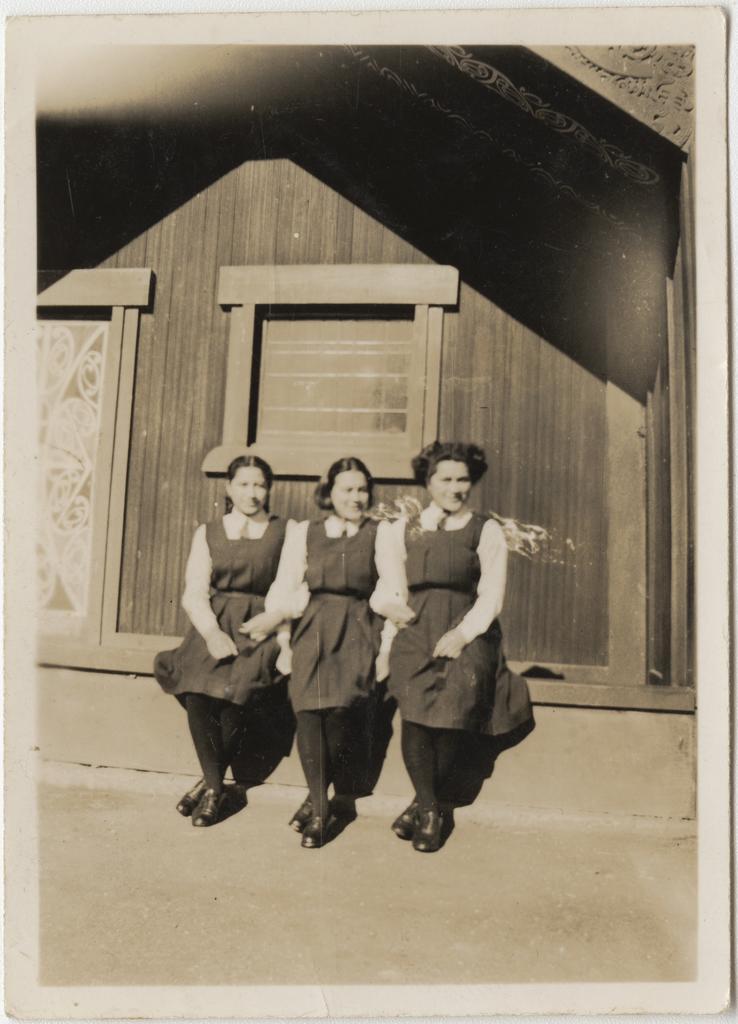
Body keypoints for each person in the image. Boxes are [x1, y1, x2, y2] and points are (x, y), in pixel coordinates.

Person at [372, 441, 534, 853]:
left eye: (463, 479)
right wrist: (393, 633)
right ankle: (431, 809)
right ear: (428, 482)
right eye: (445, 479)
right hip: (415, 626)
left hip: (469, 630)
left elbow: (491, 597)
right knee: (414, 714)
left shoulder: (487, 529)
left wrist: (463, 635)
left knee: (451, 711)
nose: (455, 487)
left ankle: (423, 807)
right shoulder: (400, 528)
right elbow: (390, 589)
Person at [241, 456, 390, 849]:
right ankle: (322, 812)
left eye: (362, 490)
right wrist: (284, 640)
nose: (356, 497)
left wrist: (386, 648)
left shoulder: (382, 533)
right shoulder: (306, 532)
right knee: (309, 713)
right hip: (312, 626)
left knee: (340, 712)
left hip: (359, 627)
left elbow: (391, 591)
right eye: (347, 489)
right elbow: (286, 587)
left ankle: (316, 795)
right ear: (330, 492)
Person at [154, 455, 292, 827]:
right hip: (216, 622)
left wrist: (273, 618)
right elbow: (194, 592)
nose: (252, 493)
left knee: (236, 692)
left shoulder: (285, 530)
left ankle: (209, 785)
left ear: (269, 489)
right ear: (229, 488)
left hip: (261, 625)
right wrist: (212, 633)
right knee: (199, 689)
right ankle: (216, 786)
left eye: (260, 485)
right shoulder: (210, 531)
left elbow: (296, 583)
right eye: (244, 484)